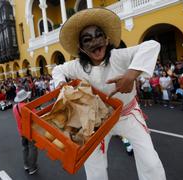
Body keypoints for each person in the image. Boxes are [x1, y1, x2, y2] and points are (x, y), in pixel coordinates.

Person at [52, 8, 166, 180]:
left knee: (150, 161)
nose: (95, 42)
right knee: (93, 165)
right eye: (87, 40)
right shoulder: (76, 66)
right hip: (96, 121)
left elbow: (152, 45)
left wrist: (131, 74)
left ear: (106, 39)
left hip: (128, 115)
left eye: (99, 36)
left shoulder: (119, 56)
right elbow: (58, 69)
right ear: (81, 48)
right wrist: (61, 83)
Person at [12, 89, 38, 175]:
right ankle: (32, 168)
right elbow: (36, 116)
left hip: (21, 132)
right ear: (26, 98)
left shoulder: (15, 107)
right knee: (33, 148)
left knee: (25, 148)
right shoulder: (27, 107)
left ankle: (26, 165)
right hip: (30, 132)